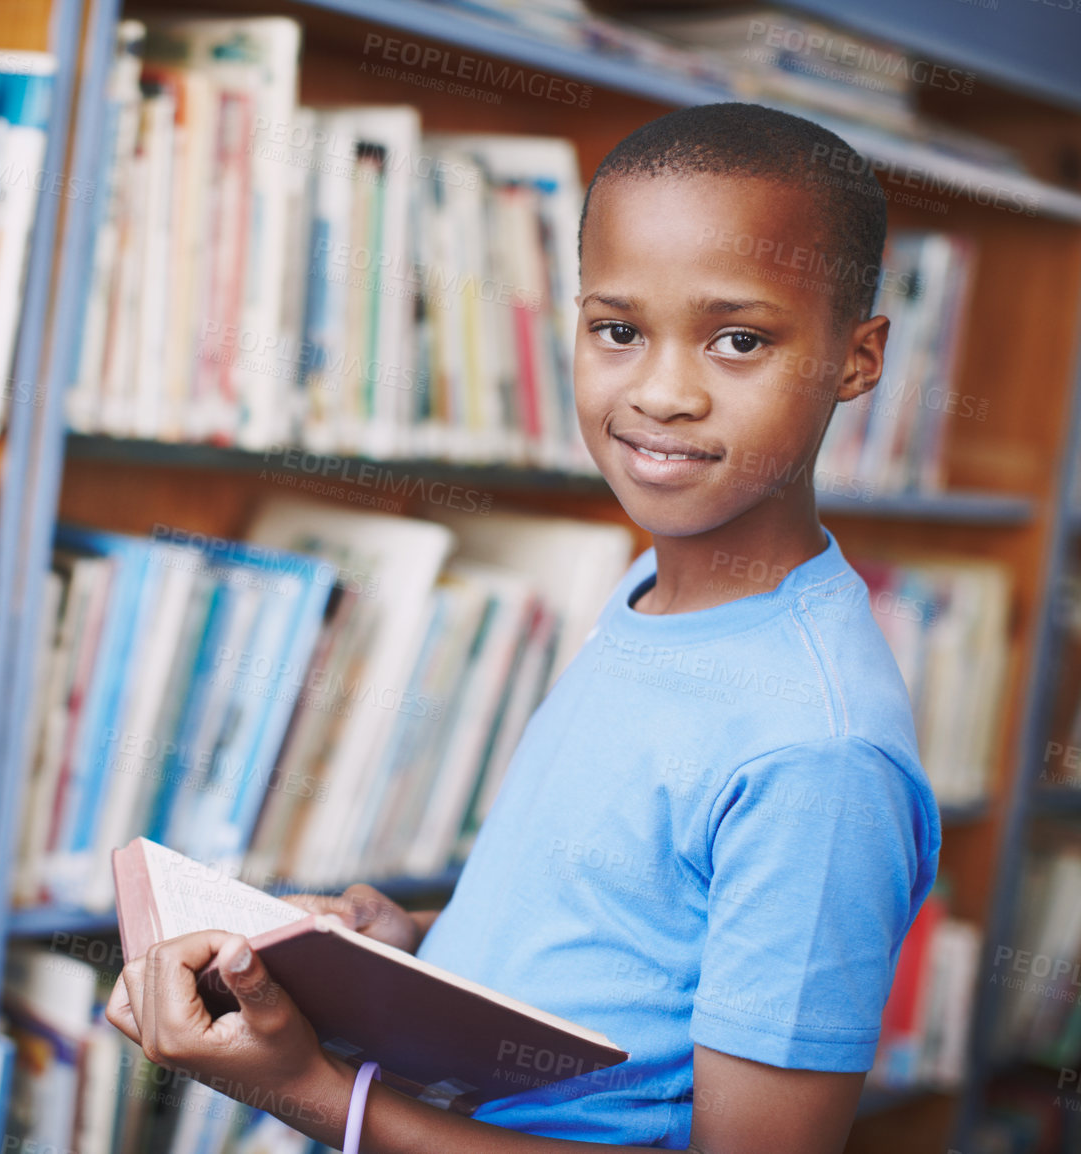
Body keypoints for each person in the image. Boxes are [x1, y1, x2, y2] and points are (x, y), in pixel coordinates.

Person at [105, 102, 942, 1154]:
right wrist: (418, 952)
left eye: (738, 339)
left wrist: (315, 1092)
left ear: (856, 358)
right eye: (618, 329)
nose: (662, 392)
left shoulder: (820, 754)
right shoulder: (652, 587)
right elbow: (630, 928)